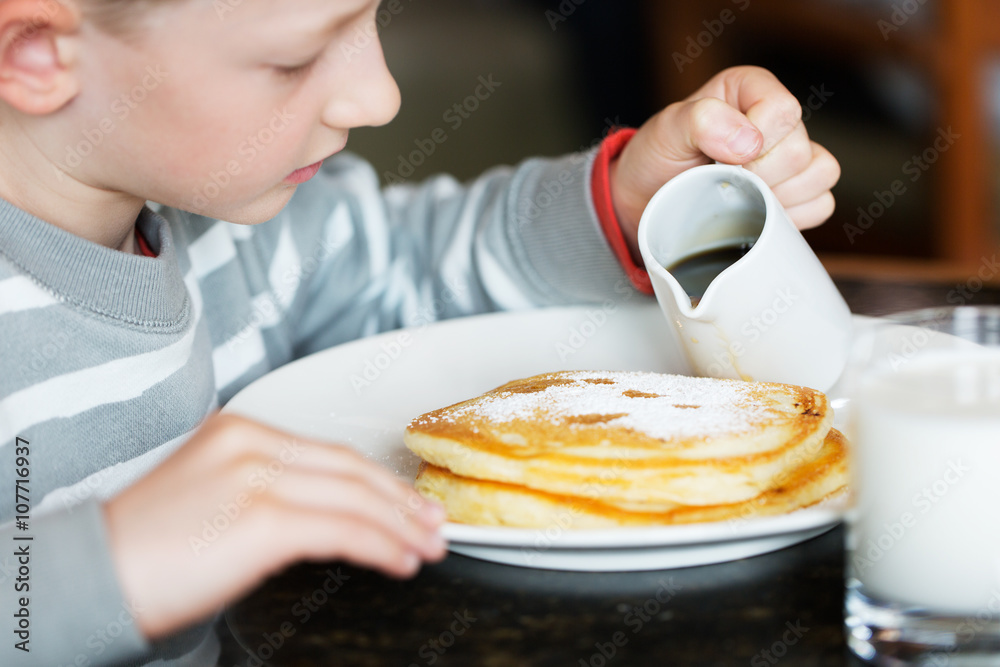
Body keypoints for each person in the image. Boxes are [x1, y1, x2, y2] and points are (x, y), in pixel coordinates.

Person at [0, 0, 840, 664]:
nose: (379, 96)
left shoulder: (252, 231)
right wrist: (106, 568)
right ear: (35, 54)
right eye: (294, 56)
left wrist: (621, 200)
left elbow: (415, 265)